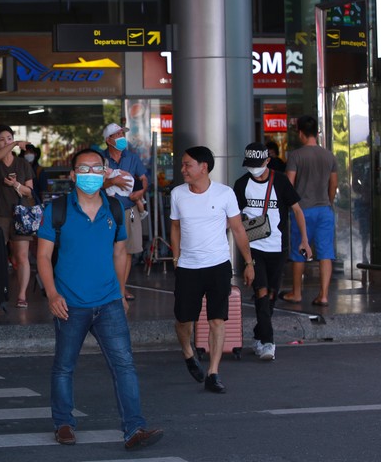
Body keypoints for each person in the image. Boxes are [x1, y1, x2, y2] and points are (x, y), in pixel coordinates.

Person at [36, 148, 163, 451]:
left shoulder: (116, 208)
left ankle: (134, 428)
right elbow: (42, 255)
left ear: (106, 173)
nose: (90, 175)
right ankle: (63, 423)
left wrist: (121, 292)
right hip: (70, 304)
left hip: (108, 303)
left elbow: (120, 253)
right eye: (83, 169)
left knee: (124, 366)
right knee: (65, 367)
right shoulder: (57, 210)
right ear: (72, 175)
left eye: (97, 169)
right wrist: (52, 294)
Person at [170, 146, 254, 394]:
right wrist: (176, 258)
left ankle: (213, 372)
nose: (183, 169)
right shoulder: (177, 194)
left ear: (203, 167)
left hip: (218, 265)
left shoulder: (225, 193)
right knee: (184, 320)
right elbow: (174, 227)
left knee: (217, 319)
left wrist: (249, 263)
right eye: (183, 164)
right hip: (188, 267)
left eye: (187, 164)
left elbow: (238, 230)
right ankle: (188, 352)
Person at [233, 142, 310, 361]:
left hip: (278, 247)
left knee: (271, 296)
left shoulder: (281, 181)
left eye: (258, 164)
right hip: (253, 248)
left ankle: (259, 334)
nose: (253, 169)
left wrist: (303, 240)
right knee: (262, 292)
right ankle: (268, 342)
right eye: (250, 165)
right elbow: (233, 216)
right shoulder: (241, 184)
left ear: (268, 161)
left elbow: (297, 210)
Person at [279, 115, 338, 306]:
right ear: (317, 133)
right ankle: (324, 295)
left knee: (299, 251)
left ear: (301, 134)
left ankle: (296, 293)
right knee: (326, 253)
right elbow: (334, 182)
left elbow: (289, 183)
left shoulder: (296, 156)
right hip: (324, 210)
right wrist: (328, 201)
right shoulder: (329, 155)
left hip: (302, 211)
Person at [0, 125, 35, 308]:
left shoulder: (23, 164)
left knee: (22, 257)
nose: (6, 142)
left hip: (20, 215)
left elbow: (29, 192)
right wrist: (14, 143)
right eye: (2, 139)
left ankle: (21, 295)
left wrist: (16, 185)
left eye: (9, 137)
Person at [101, 123, 148, 301]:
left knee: (127, 251)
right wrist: (114, 182)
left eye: (122, 134)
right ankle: (111, 288)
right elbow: (97, 185)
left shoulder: (132, 157)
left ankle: (121, 288)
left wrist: (141, 191)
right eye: (117, 134)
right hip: (108, 210)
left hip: (130, 209)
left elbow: (143, 179)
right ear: (108, 140)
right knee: (110, 250)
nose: (121, 137)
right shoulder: (102, 159)